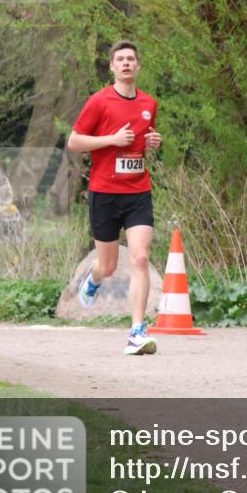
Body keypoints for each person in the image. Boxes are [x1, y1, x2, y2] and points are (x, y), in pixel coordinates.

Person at [67, 40, 162, 356]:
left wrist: (152, 142)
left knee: (140, 258)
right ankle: (92, 279)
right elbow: (74, 141)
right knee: (107, 266)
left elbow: (143, 142)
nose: (125, 63)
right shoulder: (99, 101)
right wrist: (112, 140)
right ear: (112, 66)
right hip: (105, 193)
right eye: (120, 59)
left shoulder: (149, 102)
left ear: (138, 66)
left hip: (138, 192)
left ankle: (137, 330)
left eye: (131, 59)